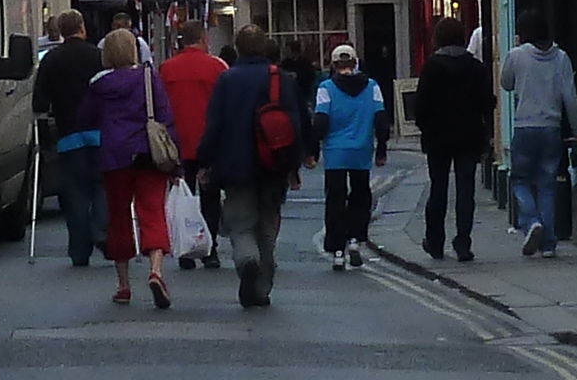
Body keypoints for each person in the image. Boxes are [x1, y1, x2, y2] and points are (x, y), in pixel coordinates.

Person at [198, 23, 307, 308]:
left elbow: (214, 126)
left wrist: (205, 160)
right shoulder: (280, 79)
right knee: (268, 224)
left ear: (237, 48)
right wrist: (294, 164)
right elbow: (294, 124)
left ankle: (247, 260)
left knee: (240, 223)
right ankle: (263, 284)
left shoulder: (226, 80)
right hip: (273, 164)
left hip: (235, 166)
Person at [86, 27, 173, 310]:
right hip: (148, 152)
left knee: (119, 217)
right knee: (152, 211)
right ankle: (156, 270)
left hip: (115, 155)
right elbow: (165, 116)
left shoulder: (99, 85)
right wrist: (177, 159)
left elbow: (85, 117)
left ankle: (123, 285)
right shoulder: (149, 77)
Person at [409, 26, 494, 262]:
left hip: (438, 137)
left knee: (439, 188)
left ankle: (435, 241)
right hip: (468, 136)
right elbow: (487, 102)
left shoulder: (432, 66)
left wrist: (425, 127)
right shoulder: (475, 67)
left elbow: (421, 104)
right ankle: (463, 244)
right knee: (466, 191)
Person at [500, 22, 577, 256]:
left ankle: (532, 221)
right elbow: (570, 96)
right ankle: (548, 244)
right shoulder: (561, 58)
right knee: (547, 185)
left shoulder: (517, 55)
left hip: (525, 126)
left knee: (520, 180)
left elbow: (506, 84)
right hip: (551, 128)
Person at [310, 42, 392, 271]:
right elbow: (381, 119)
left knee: (335, 200)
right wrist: (382, 148)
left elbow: (321, 121)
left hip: (335, 153)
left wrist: (313, 150)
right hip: (361, 150)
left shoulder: (326, 88)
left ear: (334, 65)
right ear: (355, 63)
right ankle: (355, 241)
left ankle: (337, 251)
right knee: (360, 197)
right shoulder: (372, 86)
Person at [33, 11, 107, 266]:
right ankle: (100, 226)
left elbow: (39, 101)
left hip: (69, 134)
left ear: (62, 32)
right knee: (102, 183)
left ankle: (79, 249)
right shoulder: (99, 56)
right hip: (99, 132)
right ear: (82, 28)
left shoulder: (51, 59)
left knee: (74, 192)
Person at [155, 17, 229, 270]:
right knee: (210, 198)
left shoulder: (166, 68)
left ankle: (185, 248)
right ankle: (210, 249)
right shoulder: (216, 67)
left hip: (177, 144)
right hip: (209, 143)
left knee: (180, 198)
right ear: (203, 39)